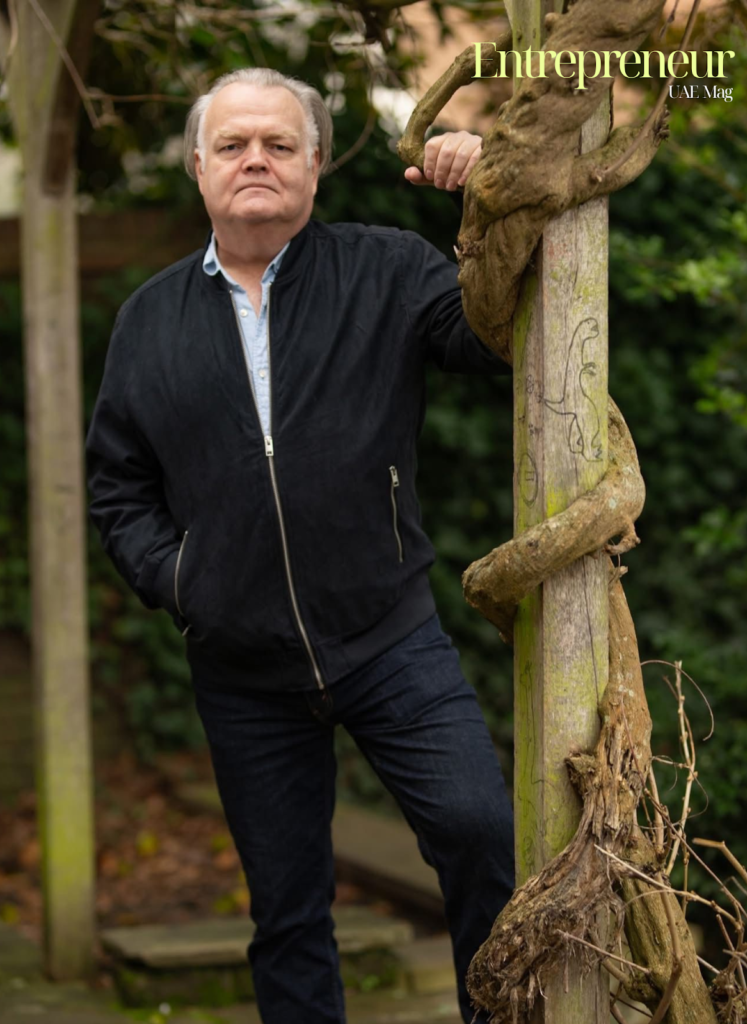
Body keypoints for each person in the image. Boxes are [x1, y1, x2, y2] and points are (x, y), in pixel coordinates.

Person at [85, 67, 515, 1024]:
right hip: (242, 670)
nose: (256, 160)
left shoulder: (385, 269)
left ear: (315, 165)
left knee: (481, 833)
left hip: (389, 637)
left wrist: (492, 197)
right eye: (232, 144)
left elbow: (492, 337)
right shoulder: (148, 319)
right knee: (285, 913)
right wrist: (184, 580)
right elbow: (117, 485)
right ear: (198, 166)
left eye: (279, 144)